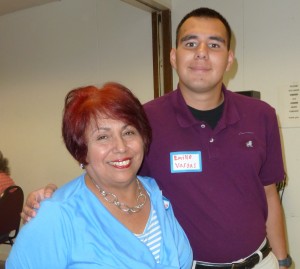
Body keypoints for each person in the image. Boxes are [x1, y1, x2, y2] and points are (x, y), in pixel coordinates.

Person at [21, 7, 292, 269]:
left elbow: (269, 196)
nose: (201, 54)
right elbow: (109, 172)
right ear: (173, 56)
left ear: (229, 59)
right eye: (190, 44)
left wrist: (283, 260)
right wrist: (50, 201)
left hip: (261, 261)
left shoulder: (261, 115)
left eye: (214, 45)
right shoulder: (144, 121)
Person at [6, 83, 193, 269]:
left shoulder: (156, 195)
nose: (121, 147)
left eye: (128, 132)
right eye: (103, 137)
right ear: (81, 150)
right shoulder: (56, 216)